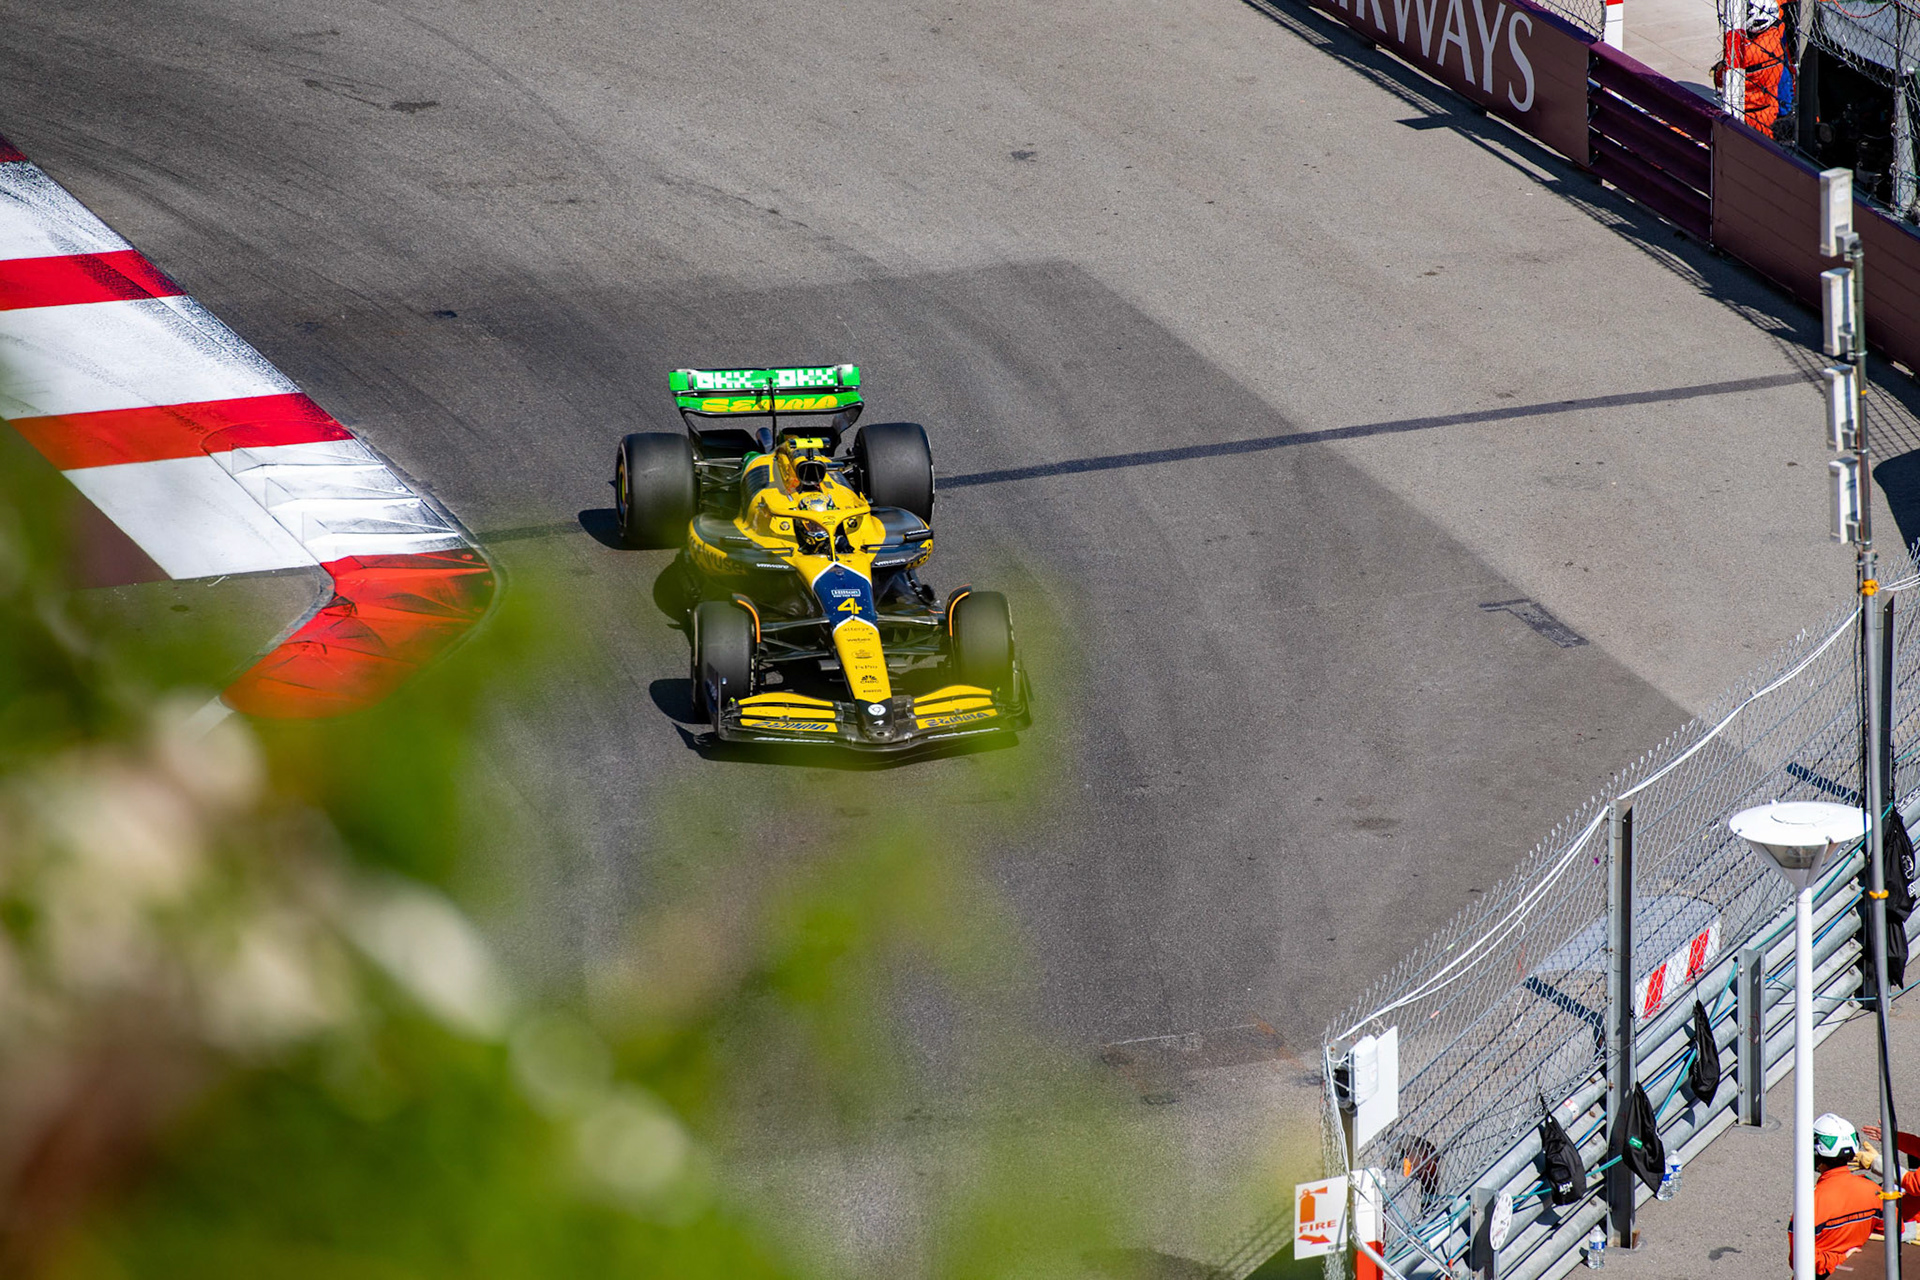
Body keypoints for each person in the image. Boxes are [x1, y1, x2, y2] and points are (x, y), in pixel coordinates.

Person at [1792, 1114, 1893, 1276]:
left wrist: (1841, 1259)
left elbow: (1799, 1259)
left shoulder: (1811, 1202)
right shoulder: (1874, 1191)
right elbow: (1893, 1231)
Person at [1714, 0, 1795, 137]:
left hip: (1747, 115)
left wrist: (1720, 66)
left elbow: (1720, 80)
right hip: (1770, 110)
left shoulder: (1745, 53)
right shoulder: (1776, 35)